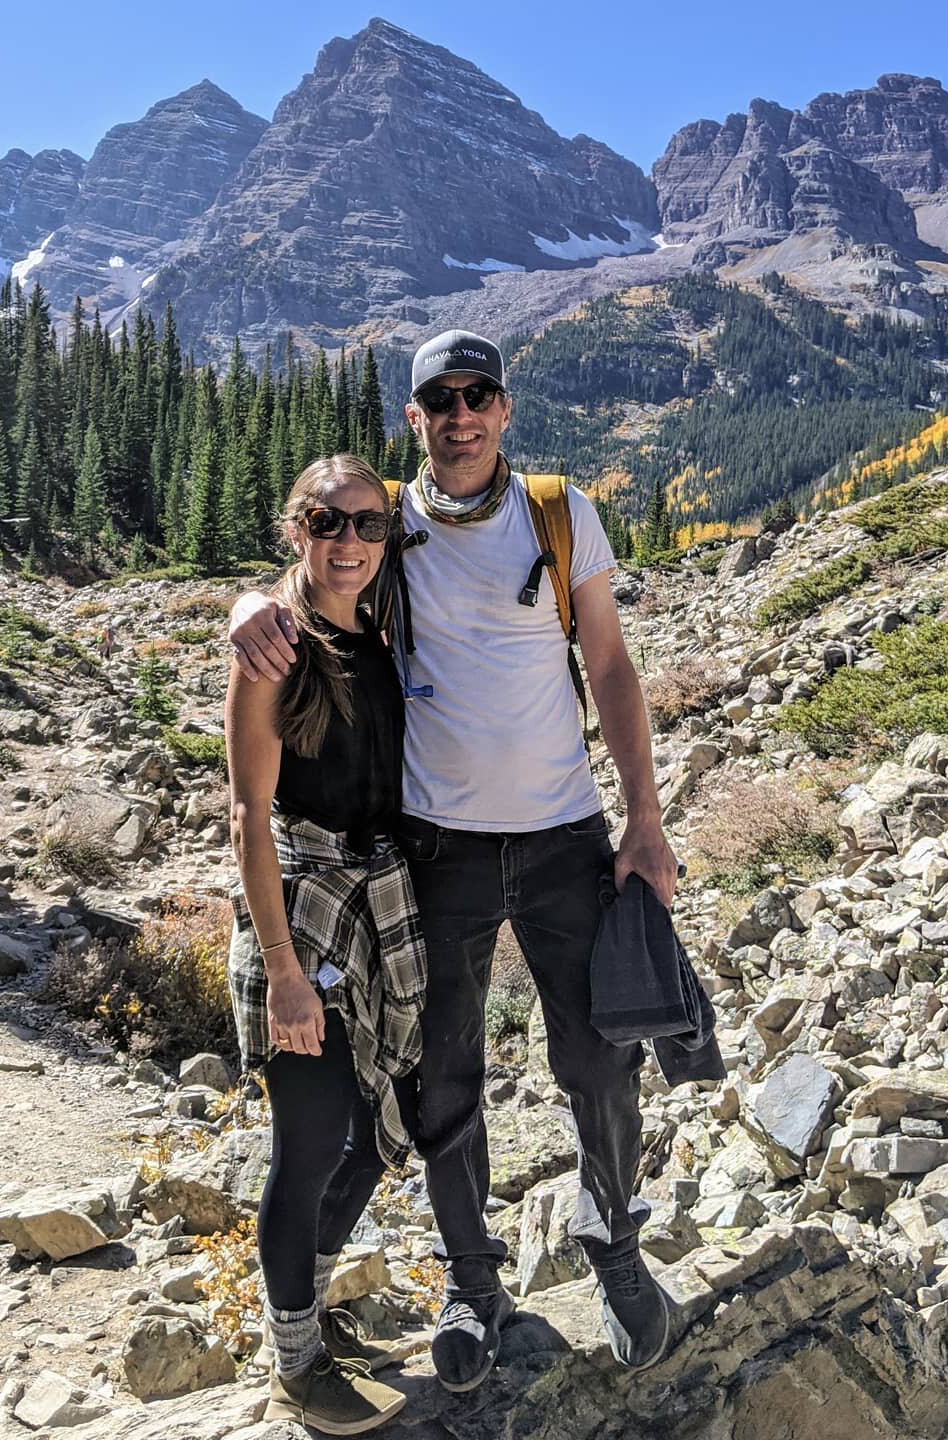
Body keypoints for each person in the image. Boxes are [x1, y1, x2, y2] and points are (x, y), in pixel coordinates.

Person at [230, 330, 679, 1393]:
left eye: (481, 395)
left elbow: (609, 665)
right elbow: (309, 576)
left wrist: (644, 817)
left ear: (506, 410)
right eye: (443, 397)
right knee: (445, 1078)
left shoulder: (562, 513)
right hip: (439, 850)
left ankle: (612, 1239)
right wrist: (241, 606)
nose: (463, 413)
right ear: (416, 418)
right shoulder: (388, 523)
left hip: (568, 832)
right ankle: (472, 1279)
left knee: (603, 1056)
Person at [225, 454, 425, 1435]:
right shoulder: (274, 646)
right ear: (294, 526)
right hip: (300, 916)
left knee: (374, 1129)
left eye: (368, 525)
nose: (349, 542)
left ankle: (311, 1314)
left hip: (374, 909)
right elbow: (246, 816)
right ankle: (294, 1366)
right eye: (327, 521)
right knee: (309, 1144)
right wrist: (282, 974)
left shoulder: (377, 628)